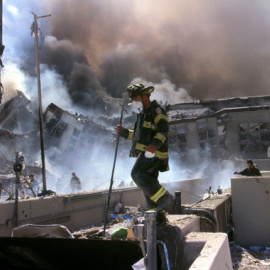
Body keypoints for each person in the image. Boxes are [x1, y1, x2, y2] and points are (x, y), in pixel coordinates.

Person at [116, 83, 175, 212]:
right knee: (149, 184)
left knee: (137, 173)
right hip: (149, 153)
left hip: (154, 153)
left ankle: (165, 198)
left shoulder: (156, 110)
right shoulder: (143, 115)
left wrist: (154, 145)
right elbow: (138, 137)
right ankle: (157, 215)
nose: (136, 103)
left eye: (136, 99)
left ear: (144, 97)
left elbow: (163, 130)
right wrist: (124, 132)